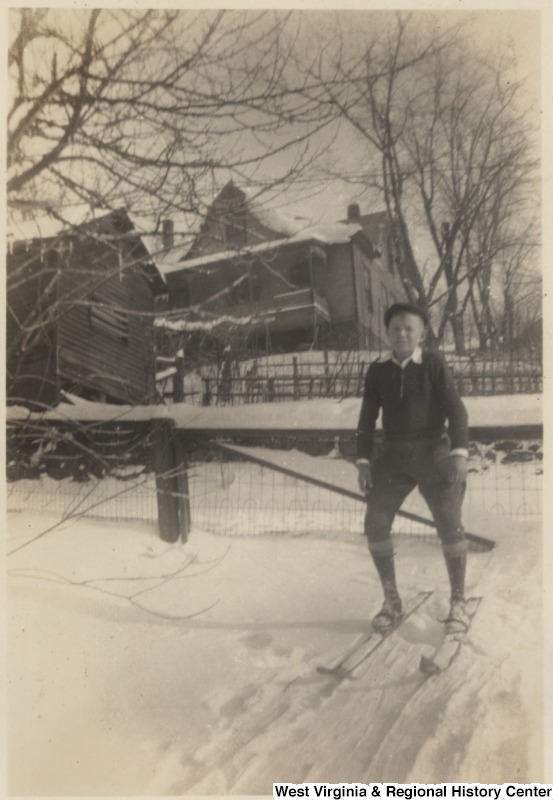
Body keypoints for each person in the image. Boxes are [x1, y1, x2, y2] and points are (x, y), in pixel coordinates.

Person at [356, 302, 469, 634]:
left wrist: (459, 454)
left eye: (409, 328)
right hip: (392, 455)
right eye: (395, 329)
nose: (402, 334)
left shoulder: (433, 363)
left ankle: (458, 603)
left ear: (421, 332)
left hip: (433, 452)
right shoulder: (377, 370)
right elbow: (365, 421)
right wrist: (363, 461)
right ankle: (391, 601)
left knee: (450, 522)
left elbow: (458, 412)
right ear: (386, 332)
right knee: (375, 521)